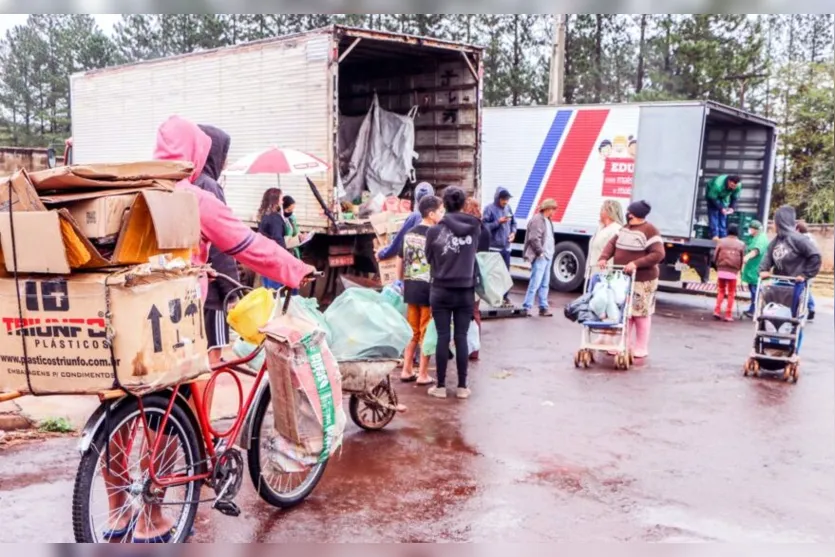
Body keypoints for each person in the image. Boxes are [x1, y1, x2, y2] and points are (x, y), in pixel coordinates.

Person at [101, 116, 314, 543]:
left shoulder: (127, 191)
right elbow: (244, 244)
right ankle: (151, 517)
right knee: (168, 411)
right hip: (172, 321)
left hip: (115, 319)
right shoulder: (193, 197)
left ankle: (116, 512)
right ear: (197, 155)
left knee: (119, 416)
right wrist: (295, 269)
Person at [426, 187, 481, 400]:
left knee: (442, 336)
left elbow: (430, 258)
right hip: (466, 290)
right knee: (461, 336)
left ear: (444, 204)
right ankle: (462, 386)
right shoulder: (475, 227)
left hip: (440, 289)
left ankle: (440, 386)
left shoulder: (433, 231)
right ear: (463, 203)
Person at [598, 200, 665, 360]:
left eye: (630, 212)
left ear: (635, 214)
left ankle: (641, 347)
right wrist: (604, 257)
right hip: (622, 279)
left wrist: (636, 263)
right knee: (623, 313)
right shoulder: (625, 228)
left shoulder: (650, 230)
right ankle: (622, 344)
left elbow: (658, 254)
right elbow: (612, 244)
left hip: (643, 280)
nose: (628, 215)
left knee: (640, 313)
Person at [193, 124, 239, 352]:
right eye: (225, 155)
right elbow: (223, 242)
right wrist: (231, 290)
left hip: (188, 289)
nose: (226, 162)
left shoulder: (185, 182)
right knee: (213, 353)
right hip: (211, 291)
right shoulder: (208, 186)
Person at [400, 195, 444, 386]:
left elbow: (401, 258)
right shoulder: (435, 234)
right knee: (427, 331)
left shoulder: (409, 233)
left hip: (410, 286)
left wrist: (399, 281)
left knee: (412, 331)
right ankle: (423, 374)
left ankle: (406, 369)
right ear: (432, 214)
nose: (443, 214)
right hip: (428, 288)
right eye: (441, 211)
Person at [760, 206, 821, 319]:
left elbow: (815, 256)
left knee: (793, 319)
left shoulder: (799, 240)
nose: (773, 225)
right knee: (772, 314)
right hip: (779, 282)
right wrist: (763, 270)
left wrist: (805, 275)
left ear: (781, 222)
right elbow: (768, 256)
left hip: (795, 283)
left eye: (774, 222)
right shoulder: (777, 240)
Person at [462, 197, 491, 361]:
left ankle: (464, 347)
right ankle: (474, 350)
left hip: (467, 275)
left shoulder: (467, 229)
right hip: (480, 276)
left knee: (464, 312)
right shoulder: (484, 229)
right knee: (475, 312)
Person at [377, 182, 435, 261]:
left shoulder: (415, 216)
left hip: (420, 263)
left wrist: (382, 254)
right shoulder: (439, 215)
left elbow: (399, 242)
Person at [522, 198, 558, 317]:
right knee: (535, 282)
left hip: (548, 256)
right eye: (553, 209)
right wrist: (540, 252)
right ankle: (526, 307)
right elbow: (534, 238)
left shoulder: (547, 220)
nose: (554, 211)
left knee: (544, 283)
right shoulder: (538, 220)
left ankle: (543, 307)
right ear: (548, 208)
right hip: (541, 256)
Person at [483, 187, 516, 303]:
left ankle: (505, 297)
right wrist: (498, 222)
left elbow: (513, 223)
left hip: (506, 247)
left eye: (507, 199)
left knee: (505, 273)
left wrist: (513, 233)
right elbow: (484, 227)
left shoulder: (508, 208)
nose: (506, 202)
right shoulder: (489, 209)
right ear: (498, 198)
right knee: (494, 274)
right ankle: (493, 297)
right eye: (503, 199)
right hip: (494, 247)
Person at [713, 223, 746, 321]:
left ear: (727, 231)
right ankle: (728, 315)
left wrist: (717, 266)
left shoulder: (721, 242)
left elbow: (715, 256)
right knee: (731, 293)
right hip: (733, 272)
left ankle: (717, 311)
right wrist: (739, 270)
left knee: (721, 291)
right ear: (737, 232)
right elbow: (742, 258)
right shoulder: (741, 244)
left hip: (722, 270)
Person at [256, 188, 287, 290]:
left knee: (268, 289)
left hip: (266, 257)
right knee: (275, 291)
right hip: (275, 258)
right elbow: (278, 239)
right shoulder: (275, 218)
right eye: (281, 198)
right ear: (276, 200)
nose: (283, 201)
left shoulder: (264, 216)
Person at [587, 200, 625, 277]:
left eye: (601, 210)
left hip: (605, 276)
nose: (599, 213)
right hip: (594, 272)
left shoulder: (616, 230)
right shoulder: (601, 228)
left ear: (608, 212)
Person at [741, 220, 768, 319]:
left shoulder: (761, 238)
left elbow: (756, 250)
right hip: (752, 269)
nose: (749, 230)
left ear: (755, 229)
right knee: (753, 290)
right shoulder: (754, 237)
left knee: (755, 291)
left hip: (756, 269)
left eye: (750, 228)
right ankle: (753, 309)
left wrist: (747, 257)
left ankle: (755, 310)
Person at [706, 174, 742, 240]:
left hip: (724, 196)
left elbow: (734, 197)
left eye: (735, 186)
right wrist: (721, 208)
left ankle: (722, 236)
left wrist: (732, 207)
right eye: (732, 185)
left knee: (723, 216)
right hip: (712, 195)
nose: (733, 188)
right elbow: (712, 198)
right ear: (728, 181)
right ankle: (714, 235)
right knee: (714, 214)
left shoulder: (738, 186)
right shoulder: (717, 185)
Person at [795, 221, 818, 321]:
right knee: (806, 288)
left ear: (798, 230)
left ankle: (806, 309)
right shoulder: (811, 239)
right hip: (811, 268)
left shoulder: (803, 240)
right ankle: (811, 308)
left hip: (804, 269)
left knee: (803, 288)